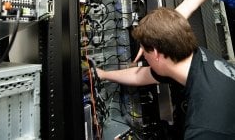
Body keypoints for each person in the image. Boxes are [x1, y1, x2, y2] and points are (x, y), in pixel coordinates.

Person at [96, 7, 235, 139]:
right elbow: (141, 75)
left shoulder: (204, 127)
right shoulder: (193, 57)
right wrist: (103, 74)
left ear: (156, 53)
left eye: (144, 51)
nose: (144, 56)